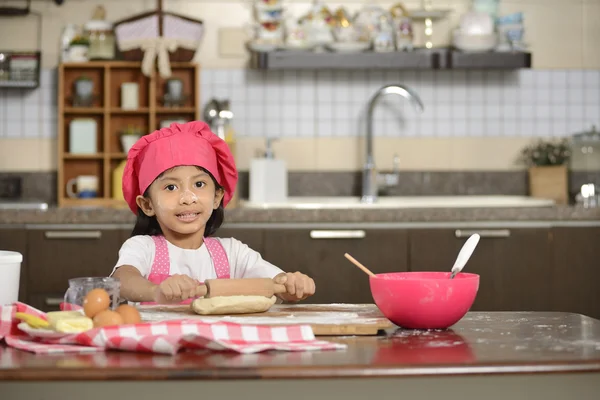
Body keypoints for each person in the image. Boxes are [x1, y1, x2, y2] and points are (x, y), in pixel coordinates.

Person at [111, 120, 315, 304]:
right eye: (171, 187)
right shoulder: (143, 248)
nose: (188, 198)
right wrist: (155, 292)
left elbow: (277, 284)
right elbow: (123, 280)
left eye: (199, 184)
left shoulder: (233, 253)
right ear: (147, 205)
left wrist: (292, 285)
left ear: (217, 197)